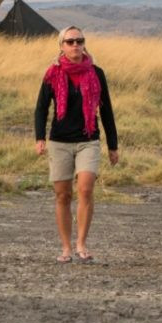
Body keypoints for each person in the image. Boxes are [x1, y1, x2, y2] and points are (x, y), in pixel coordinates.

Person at [33, 26, 120, 263]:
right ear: (61, 46)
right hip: (59, 141)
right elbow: (41, 108)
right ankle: (65, 248)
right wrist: (39, 138)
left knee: (85, 189)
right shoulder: (53, 73)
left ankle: (81, 243)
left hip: (88, 139)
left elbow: (106, 109)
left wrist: (113, 145)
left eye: (79, 41)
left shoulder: (96, 72)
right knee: (63, 195)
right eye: (70, 41)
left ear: (84, 44)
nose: (75, 45)